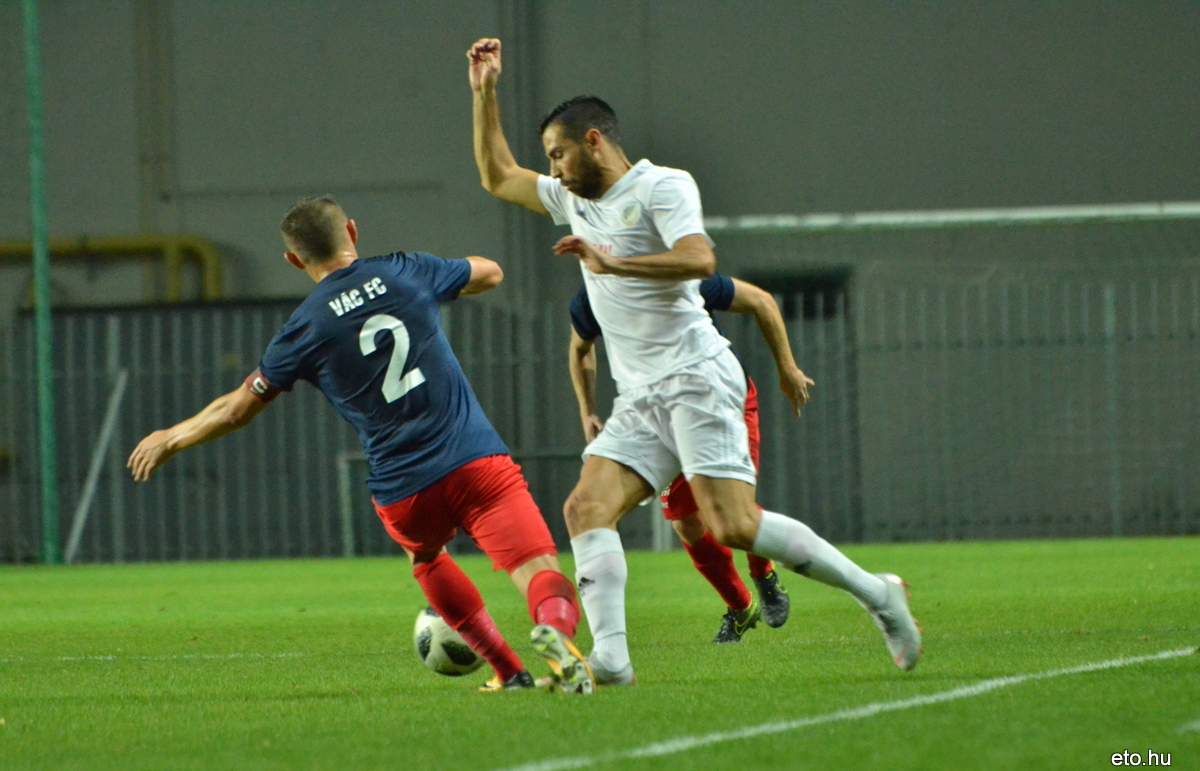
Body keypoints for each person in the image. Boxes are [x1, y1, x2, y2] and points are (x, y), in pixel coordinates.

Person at [468, 37, 922, 684]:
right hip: (642, 396)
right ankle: (613, 658)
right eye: (550, 158)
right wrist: (484, 92)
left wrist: (610, 261)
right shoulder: (570, 198)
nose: (555, 169)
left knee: (733, 525)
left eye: (559, 153)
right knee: (584, 509)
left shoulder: (661, 185)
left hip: (697, 377)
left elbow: (699, 258)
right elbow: (496, 175)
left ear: (594, 140)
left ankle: (879, 593)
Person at [127, 196, 595, 694]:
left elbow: (237, 409)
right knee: (537, 567)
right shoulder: (405, 271)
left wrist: (170, 437)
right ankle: (557, 638)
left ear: (293, 260)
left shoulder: (303, 328)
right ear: (352, 230)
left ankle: (509, 672)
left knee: (428, 559)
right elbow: (490, 273)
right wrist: (444, 281)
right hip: (474, 460)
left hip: (403, 488)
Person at [569, 273, 806, 643]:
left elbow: (761, 300)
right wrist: (587, 410)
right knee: (686, 523)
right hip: (663, 414)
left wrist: (788, 370)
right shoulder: (593, 297)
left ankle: (764, 573)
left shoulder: (677, 277)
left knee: (733, 513)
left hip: (722, 401)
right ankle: (741, 606)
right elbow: (580, 348)